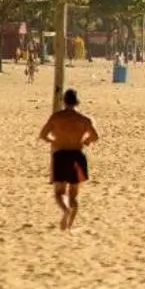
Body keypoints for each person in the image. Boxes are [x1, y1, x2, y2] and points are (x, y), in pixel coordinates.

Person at [40, 89, 98, 231]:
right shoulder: (84, 120)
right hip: (77, 156)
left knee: (59, 193)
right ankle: (70, 225)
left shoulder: (56, 117)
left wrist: (53, 141)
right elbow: (95, 136)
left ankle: (65, 210)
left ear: (64, 101)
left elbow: (43, 134)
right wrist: (86, 141)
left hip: (60, 155)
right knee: (73, 195)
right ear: (77, 102)